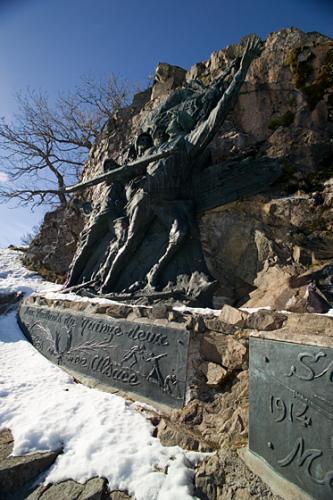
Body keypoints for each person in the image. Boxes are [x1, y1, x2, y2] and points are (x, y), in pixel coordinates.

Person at [99, 36, 263, 294]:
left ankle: (156, 272)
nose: (174, 121)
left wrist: (242, 70)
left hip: (166, 201)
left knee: (182, 231)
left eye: (180, 120)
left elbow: (219, 111)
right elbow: (130, 173)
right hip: (145, 195)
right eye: (174, 120)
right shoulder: (154, 149)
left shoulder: (188, 142)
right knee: (131, 242)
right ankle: (106, 286)